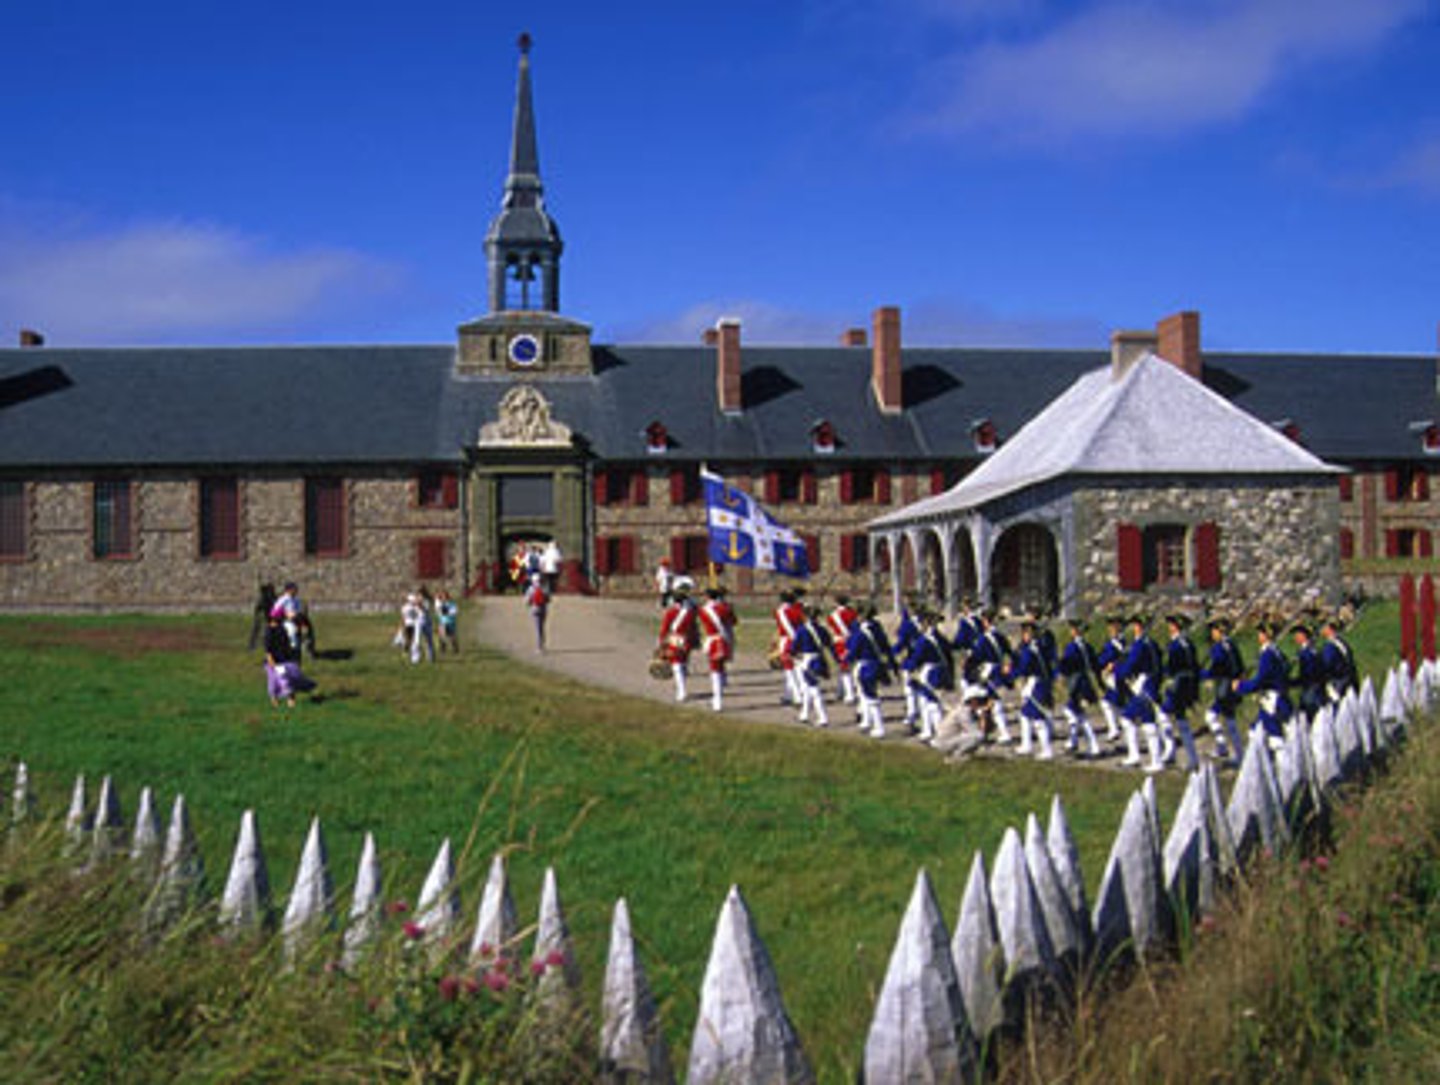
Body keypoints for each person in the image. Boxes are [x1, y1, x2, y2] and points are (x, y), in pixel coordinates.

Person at [1114, 615, 1164, 772]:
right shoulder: (1151, 644)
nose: (1134, 628)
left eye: (1136, 625)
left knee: (1131, 719)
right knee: (1145, 721)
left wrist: (1118, 672)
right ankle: (1146, 757)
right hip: (1149, 684)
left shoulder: (1140, 644)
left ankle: (1146, 758)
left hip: (1143, 685)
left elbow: (1131, 664)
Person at [1237, 620, 1291, 750]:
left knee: (1275, 738)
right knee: (1255, 731)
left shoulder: (1267, 654)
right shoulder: (1276, 651)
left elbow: (1261, 679)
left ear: (1266, 635)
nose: (1258, 636)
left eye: (1260, 633)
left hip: (1272, 700)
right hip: (1277, 697)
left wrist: (1241, 686)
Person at [1200, 616, 1246, 764]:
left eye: (1214, 631)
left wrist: (1200, 674)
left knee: (1220, 718)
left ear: (1219, 631)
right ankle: (1223, 748)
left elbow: (1216, 669)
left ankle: (1236, 753)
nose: (1212, 634)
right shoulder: (1231, 644)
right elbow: (1240, 666)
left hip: (1224, 687)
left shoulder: (1219, 647)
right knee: (1220, 717)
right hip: (1231, 686)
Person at [1158, 614, 1201, 772]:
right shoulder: (1189, 644)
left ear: (1176, 626)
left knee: (1163, 715)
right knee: (1182, 720)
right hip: (1188, 685)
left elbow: (1171, 666)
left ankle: (1170, 750)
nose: (1169, 627)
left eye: (1171, 624)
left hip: (1178, 684)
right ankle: (1192, 757)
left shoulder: (1175, 645)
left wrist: (1163, 676)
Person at [1007, 620, 1056, 760]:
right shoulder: (1041, 646)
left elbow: (1024, 668)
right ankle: (1026, 744)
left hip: (1036, 683)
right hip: (1040, 682)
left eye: (1026, 633)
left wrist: (1010, 673)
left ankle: (1047, 750)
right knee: (1025, 715)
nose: (1024, 636)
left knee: (1038, 719)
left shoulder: (1029, 650)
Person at [1057, 618, 1103, 758]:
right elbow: (1096, 665)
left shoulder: (1072, 647)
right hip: (1085, 681)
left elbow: (1067, 665)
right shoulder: (1087, 647)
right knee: (1078, 713)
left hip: (1077, 682)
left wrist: (1058, 668)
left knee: (1074, 713)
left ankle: (1089, 744)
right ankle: (1074, 741)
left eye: (1072, 629)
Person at [848, 605, 891, 737]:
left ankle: (878, 727)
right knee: (866, 694)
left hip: (865, 665)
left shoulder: (861, 633)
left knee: (869, 696)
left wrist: (845, 660)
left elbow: (853, 651)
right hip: (877, 664)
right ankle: (866, 721)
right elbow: (885, 647)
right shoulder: (877, 630)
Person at [264, 610, 316, 708]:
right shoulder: (269, 631)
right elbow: (268, 651)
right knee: (274, 683)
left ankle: (291, 703)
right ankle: (275, 704)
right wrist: (274, 665)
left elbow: (288, 643)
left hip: (285, 660)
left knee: (289, 681)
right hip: (274, 662)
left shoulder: (282, 629)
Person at [657, 577, 698, 701]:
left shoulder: (671, 612)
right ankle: (681, 687)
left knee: (677, 665)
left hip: (676, 639)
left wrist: (661, 642)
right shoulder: (692, 610)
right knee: (684, 663)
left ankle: (682, 690)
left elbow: (665, 628)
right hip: (688, 639)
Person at [791, 607, 832, 727]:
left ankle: (823, 717)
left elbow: (795, 647)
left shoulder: (802, 630)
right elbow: (828, 643)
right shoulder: (821, 630)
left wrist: (793, 654)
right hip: (819, 658)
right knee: (807, 687)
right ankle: (804, 714)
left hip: (807, 660)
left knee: (814, 689)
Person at [697, 587, 737, 711]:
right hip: (724, 640)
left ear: (708, 597)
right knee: (719, 667)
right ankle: (718, 695)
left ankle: (717, 700)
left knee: (714, 670)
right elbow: (733, 622)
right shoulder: (725, 608)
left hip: (713, 641)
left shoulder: (703, 610)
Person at [1095, 615, 1128, 743]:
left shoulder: (1119, 643)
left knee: (1109, 702)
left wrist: (1112, 664)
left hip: (1116, 676)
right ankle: (1116, 727)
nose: (1111, 629)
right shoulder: (1113, 642)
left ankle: (1115, 729)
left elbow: (1119, 657)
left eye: (1114, 626)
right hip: (1110, 676)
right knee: (1113, 703)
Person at [826, 594, 860, 706]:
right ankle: (841, 690)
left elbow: (831, 626)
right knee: (847, 667)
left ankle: (850, 694)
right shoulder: (853, 613)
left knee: (845, 668)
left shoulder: (833, 616)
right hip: (852, 641)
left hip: (840, 642)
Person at [1290, 622, 1326, 722]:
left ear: (1304, 636)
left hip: (1311, 691)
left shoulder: (1306, 653)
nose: (1295, 637)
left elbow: (1307, 675)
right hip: (1316, 690)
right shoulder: (1312, 650)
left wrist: (1290, 683)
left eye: (1297, 634)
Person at [1319, 617, 1358, 705]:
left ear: (1329, 629)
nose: (1321, 631)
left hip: (1338, 682)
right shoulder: (1342, 642)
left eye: (1323, 628)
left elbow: (1327, 664)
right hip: (1350, 678)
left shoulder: (1329, 647)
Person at [524, 572, 550, 652]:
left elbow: (527, 601)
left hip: (535, 610)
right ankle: (542, 644)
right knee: (542, 627)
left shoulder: (531, 589)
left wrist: (530, 603)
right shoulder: (545, 588)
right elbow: (548, 599)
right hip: (543, 609)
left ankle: (540, 646)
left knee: (538, 628)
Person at [248, 581, 277, 651]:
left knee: (267, 631)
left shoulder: (272, 597)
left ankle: (266, 645)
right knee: (258, 630)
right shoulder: (264, 597)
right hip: (262, 615)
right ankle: (252, 645)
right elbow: (259, 607)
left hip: (268, 616)